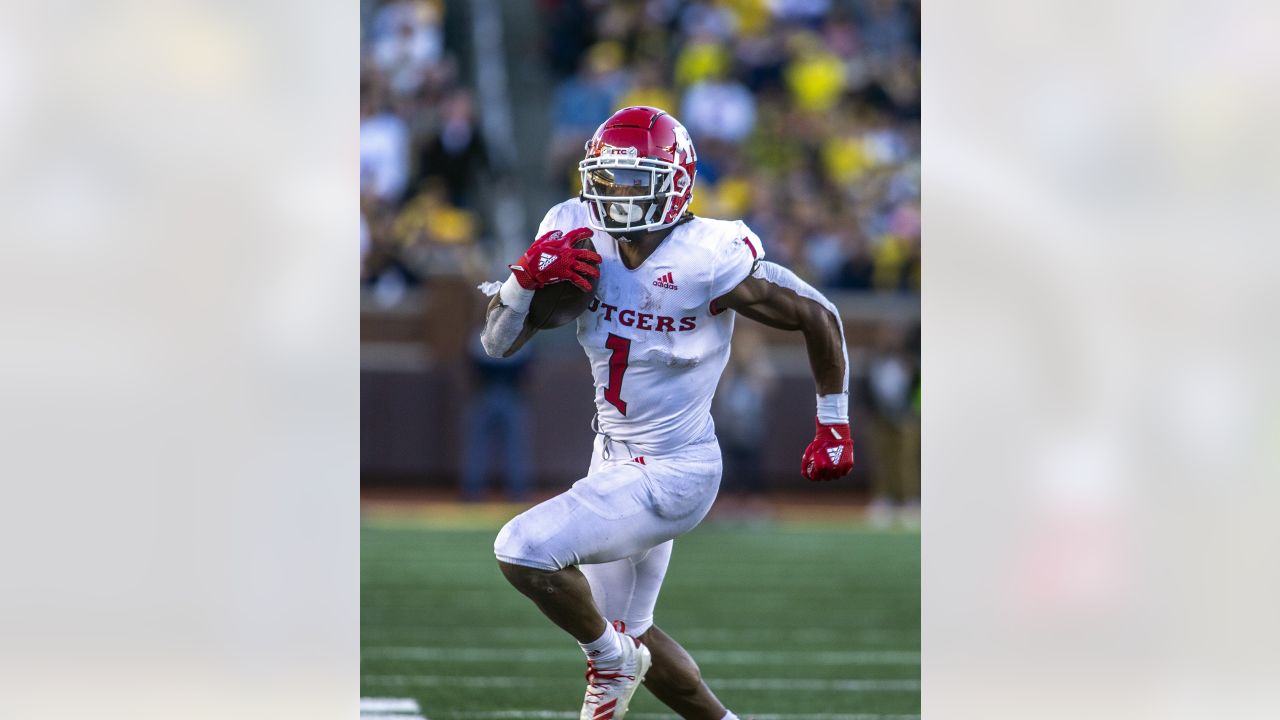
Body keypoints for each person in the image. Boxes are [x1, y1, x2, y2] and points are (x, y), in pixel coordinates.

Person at [479, 106, 854, 720]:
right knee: (636, 632)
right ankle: (644, 670)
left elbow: (817, 313)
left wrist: (833, 418)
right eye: (606, 180)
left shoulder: (709, 255)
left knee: (523, 550)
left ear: (675, 183)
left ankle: (609, 657)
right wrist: (521, 284)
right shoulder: (574, 231)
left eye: (633, 182)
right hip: (612, 458)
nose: (615, 197)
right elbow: (498, 344)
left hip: (677, 470)